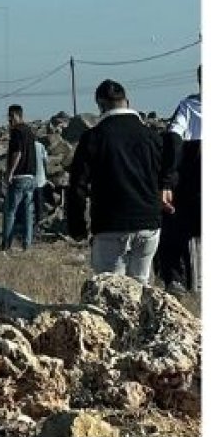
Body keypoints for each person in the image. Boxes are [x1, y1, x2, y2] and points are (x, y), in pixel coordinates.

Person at [67, 80, 173, 284]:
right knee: (140, 285)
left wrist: (77, 226)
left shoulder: (93, 138)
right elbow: (166, 172)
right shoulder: (151, 136)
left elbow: (78, 186)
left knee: (110, 290)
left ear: (100, 105)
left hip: (110, 224)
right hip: (148, 222)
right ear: (127, 101)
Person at [158, 66, 201, 294]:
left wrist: (167, 181)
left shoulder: (188, 106)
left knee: (176, 229)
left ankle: (176, 278)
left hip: (193, 174)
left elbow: (174, 139)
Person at [0, 105, 38, 251]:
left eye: (10, 116)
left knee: (10, 212)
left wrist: (9, 173)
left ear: (15, 115)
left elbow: (18, 153)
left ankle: (6, 245)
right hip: (30, 176)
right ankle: (27, 244)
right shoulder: (29, 131)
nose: (8, 120)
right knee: (28, 213)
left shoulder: (16, 131)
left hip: (19, 176)